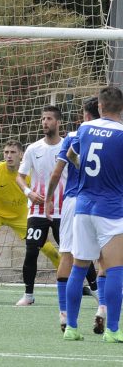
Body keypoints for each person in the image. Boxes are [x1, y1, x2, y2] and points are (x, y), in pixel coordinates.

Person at [64, 86, 123, 343]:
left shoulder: (85, 129)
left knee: (79, 268)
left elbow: (70, 155)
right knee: (115, 269)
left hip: (83, 206)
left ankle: (71, 328)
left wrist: (87, 172)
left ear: (99, 106)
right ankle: (112, 330)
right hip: (110, 208)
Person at [0, 140, 61, 293]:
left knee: (49, 250)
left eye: (13, 152)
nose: (9, 156)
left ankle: (70, 282)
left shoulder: (29, 174)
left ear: (21, 155)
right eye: (6, 152)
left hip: (21, 216)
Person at [44, 97, 102, 332]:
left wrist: (48, 198)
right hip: (103, 201)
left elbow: (57, 172)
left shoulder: (75, 136)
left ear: (86, 115)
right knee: (105, 259)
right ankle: (103, 310)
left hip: (74, 202)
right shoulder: (115, 136)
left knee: (67, 255)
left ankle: (65, 315)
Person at [15, 105, 63, 306]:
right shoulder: (33, 149)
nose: (45, 122)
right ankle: (28, 295)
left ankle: (96, 290)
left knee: (75, 252)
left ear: (58, 122)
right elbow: (19, 177)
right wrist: (29, 192)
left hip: (63, 210)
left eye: (49, 118)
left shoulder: (67, 146)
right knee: (31, 250)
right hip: (37, 211)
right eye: (43, 118)